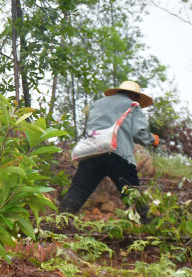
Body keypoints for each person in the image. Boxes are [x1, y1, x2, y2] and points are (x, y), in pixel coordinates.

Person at [58, 80, 159, 218]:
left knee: (78, 190)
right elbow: (138, 133)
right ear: (135, 96)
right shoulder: (133, 105)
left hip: (92, 152)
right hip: (119, 155)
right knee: (132, 194)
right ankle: (146, 228)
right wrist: (152, 140)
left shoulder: (97, 104)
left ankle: (58, 223)